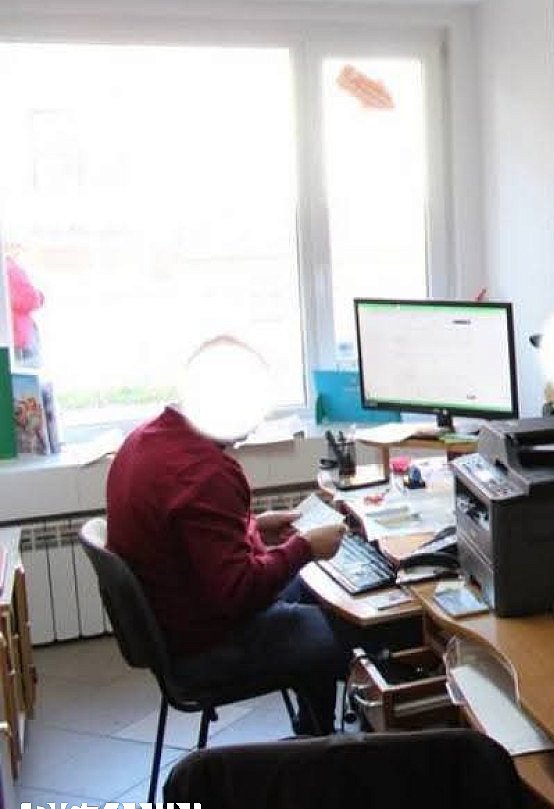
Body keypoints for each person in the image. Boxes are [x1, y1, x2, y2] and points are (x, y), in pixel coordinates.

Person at [105, 336, 353, 734]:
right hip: (207, 646)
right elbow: (239, 593)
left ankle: (314, 736)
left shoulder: (142, 441)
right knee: (358, 634)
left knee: (315, 592)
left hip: (178, 626)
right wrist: (305, 546)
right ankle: (333, 752)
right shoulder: (207, 474)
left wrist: (252, 526)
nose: (252, 427)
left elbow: (191, 539)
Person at [4, 252, 44, 367]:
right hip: (18, 342)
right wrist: (39, 295)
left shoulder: (8, 269)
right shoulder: (9, 269)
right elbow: (32, 299)